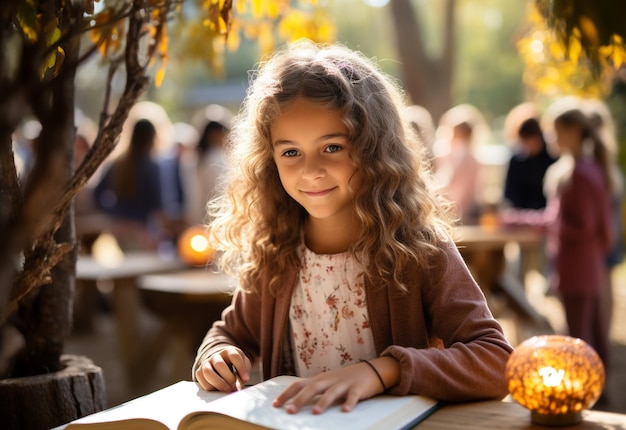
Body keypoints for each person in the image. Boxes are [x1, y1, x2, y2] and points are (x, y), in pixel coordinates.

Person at [192, 40, 513, 415]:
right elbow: (230, 333)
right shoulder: (275, 252)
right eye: (291, 152)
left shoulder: (418, 249)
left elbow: (496, 361)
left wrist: (384, 371)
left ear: (374, 148)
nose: (311, 170)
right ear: (269, 159)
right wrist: (216, 355)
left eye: (332, 147)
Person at [94, 118, 165, 250]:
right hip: (143, 229)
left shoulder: (118, 164)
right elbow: (156, 203)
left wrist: (114, 214)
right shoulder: (152, 166)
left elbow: (97, 194)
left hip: (120, 228)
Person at [503, 117, 557, 210]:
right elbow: (510, 193)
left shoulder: (552, 160)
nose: (529, 147)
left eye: (531, 142)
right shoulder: (517, 161)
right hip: (521, 214)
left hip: (546, 212)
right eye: (525, 143)